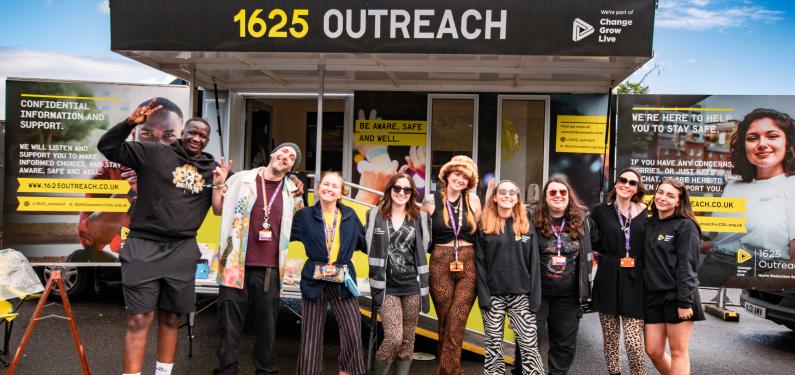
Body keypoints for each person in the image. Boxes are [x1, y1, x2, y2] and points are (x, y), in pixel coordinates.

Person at [98, 99, 231, 375]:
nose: (196, 138)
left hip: (182, 250)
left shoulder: (211, 169)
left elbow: (257, 180)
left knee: (171, 317)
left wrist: (296, 181)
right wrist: (128, 124)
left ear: (207, 141)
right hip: (144, 246)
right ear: (182, 133)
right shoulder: (152, 153)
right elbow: (108, 147)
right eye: (192, 132)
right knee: (139, 318)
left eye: (202, 136)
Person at [212, 143, 304, 374]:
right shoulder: (241, 179)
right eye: (283, 151)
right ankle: (226, 371)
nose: (285, 157)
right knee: (229, 329)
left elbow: (300, 225)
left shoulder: (293, 191)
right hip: (234, 266)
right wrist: (218, 184)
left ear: (292, 166)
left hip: (270, 271)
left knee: (267, 331)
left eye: (291, 157)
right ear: (272, 153)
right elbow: (217, 208)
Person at [699, 108, 795, 288]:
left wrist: (751, 283)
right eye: (752, 138)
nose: (762, 144)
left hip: (759, 281)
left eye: (772, 136)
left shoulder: (792, 186)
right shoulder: (733, 187)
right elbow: (722, 242)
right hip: (709, 273)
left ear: (788, 142)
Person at [77, 97, 183, 259]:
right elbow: (92, 240)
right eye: (147, 133)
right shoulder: (110, 170)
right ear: (134, 134)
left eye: (168, 136)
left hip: (168, 259)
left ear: (180, 138)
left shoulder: (190, 173)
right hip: (124, 262)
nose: (157, 143)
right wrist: (125, 192)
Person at [291, 171, 367, 375]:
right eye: (326, 184)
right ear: (318, 188)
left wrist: (380, 222)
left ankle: (348, 371)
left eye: (335, 186)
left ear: (341, 193)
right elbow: (284, 231)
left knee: (352, 329)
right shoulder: (304, 215)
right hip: (313, 277)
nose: (329, 188)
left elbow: (365, 243)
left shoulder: (350, 215)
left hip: (343, 277)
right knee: (311, 335)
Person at [476, 180, 544, 375]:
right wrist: (484, 296)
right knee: (493, 349)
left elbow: (534, 263)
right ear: (495, 197)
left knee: (530, 347)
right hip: (493, 297)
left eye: (512, 192)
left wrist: (535, 298)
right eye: (503, 192)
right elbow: (479, 263)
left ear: (517, 198)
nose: (507, 195)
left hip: (521, 296)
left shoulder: (525, 224)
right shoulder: (485, 224)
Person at [422, 155, 482, 375]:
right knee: (445, 319)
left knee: (457, 318)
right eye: (457, 173)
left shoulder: (474, 201)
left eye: (465, 177)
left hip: (468, 262)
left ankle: (449, 372)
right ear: (447, 174)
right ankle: (447, 369)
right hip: (440, 260)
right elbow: (421, 236)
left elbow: (482, 235)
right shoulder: (430, 201)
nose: (460, 179)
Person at [365, 173, 431, 375]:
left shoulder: (420, 217)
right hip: (387, 287)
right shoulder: (375, 214)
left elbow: (426, 246)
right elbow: (367, 244)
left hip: (412, 286)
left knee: (408, 340)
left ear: (412, 193)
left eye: (407, 189)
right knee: (394, 337)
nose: (402, 193)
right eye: (397, 188)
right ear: (390, 190)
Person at [644, 178, 705, 375]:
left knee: (678, 351)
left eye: (670, 195)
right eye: (660, 192)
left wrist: (685, 302)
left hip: (678, 297)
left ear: (679, 201)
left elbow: (688, 266)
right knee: (653, 350)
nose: (663, 198)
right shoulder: (649, 223)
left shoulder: (686, 226)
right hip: (652, 296)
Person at [590, 169, 648, 375]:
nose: (626, 185)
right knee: (611, 339)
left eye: (632, 182)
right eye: (623, 180)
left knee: (633, 342)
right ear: (615, 184)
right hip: (608, 278)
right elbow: (592, 240)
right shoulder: (599, 211)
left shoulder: (646, 212)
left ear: (636, 189)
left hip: (635, 280)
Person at [533, 177, 592, 375]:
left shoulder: (582, 220)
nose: (558, 195)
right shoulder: (532, 219)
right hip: (537, 294)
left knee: (564, 346)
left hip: (568, 297)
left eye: (562, 192)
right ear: (545, 197)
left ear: (569, 196)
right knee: (528, 342)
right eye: (552, 192)